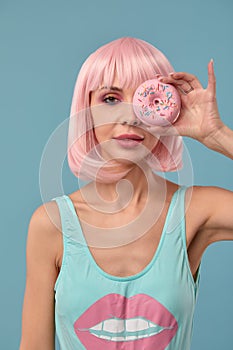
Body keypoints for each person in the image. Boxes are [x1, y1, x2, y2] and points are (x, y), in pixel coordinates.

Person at [19, 37, 233, 350]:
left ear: (169, 111)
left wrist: (218, 135)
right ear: (86, 110)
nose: (131, 116)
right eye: (110, 98)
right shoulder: (51, 225)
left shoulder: (197, 211)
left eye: (148, 99)